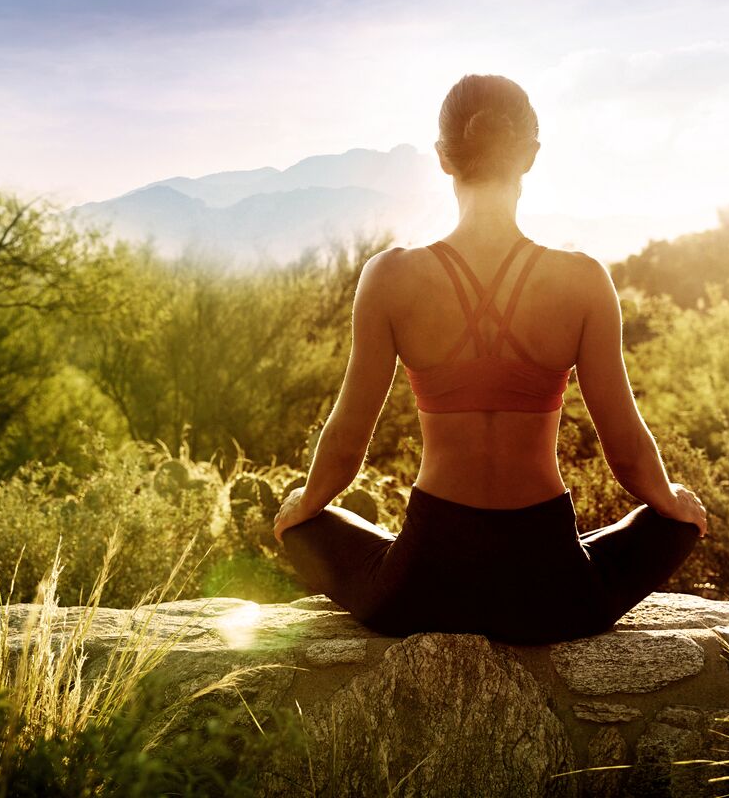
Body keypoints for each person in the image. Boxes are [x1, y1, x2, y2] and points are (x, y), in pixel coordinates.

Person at [273, 73, 706, 645]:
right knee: (677, 523)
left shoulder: (390, 277)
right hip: (553, 593)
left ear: (443, 158)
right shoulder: (583, 280)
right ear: (530, 156)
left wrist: (305, 503)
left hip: (422, 586)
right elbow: (626, 452)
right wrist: (672, 501)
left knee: (302, 526)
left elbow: (347, 441)